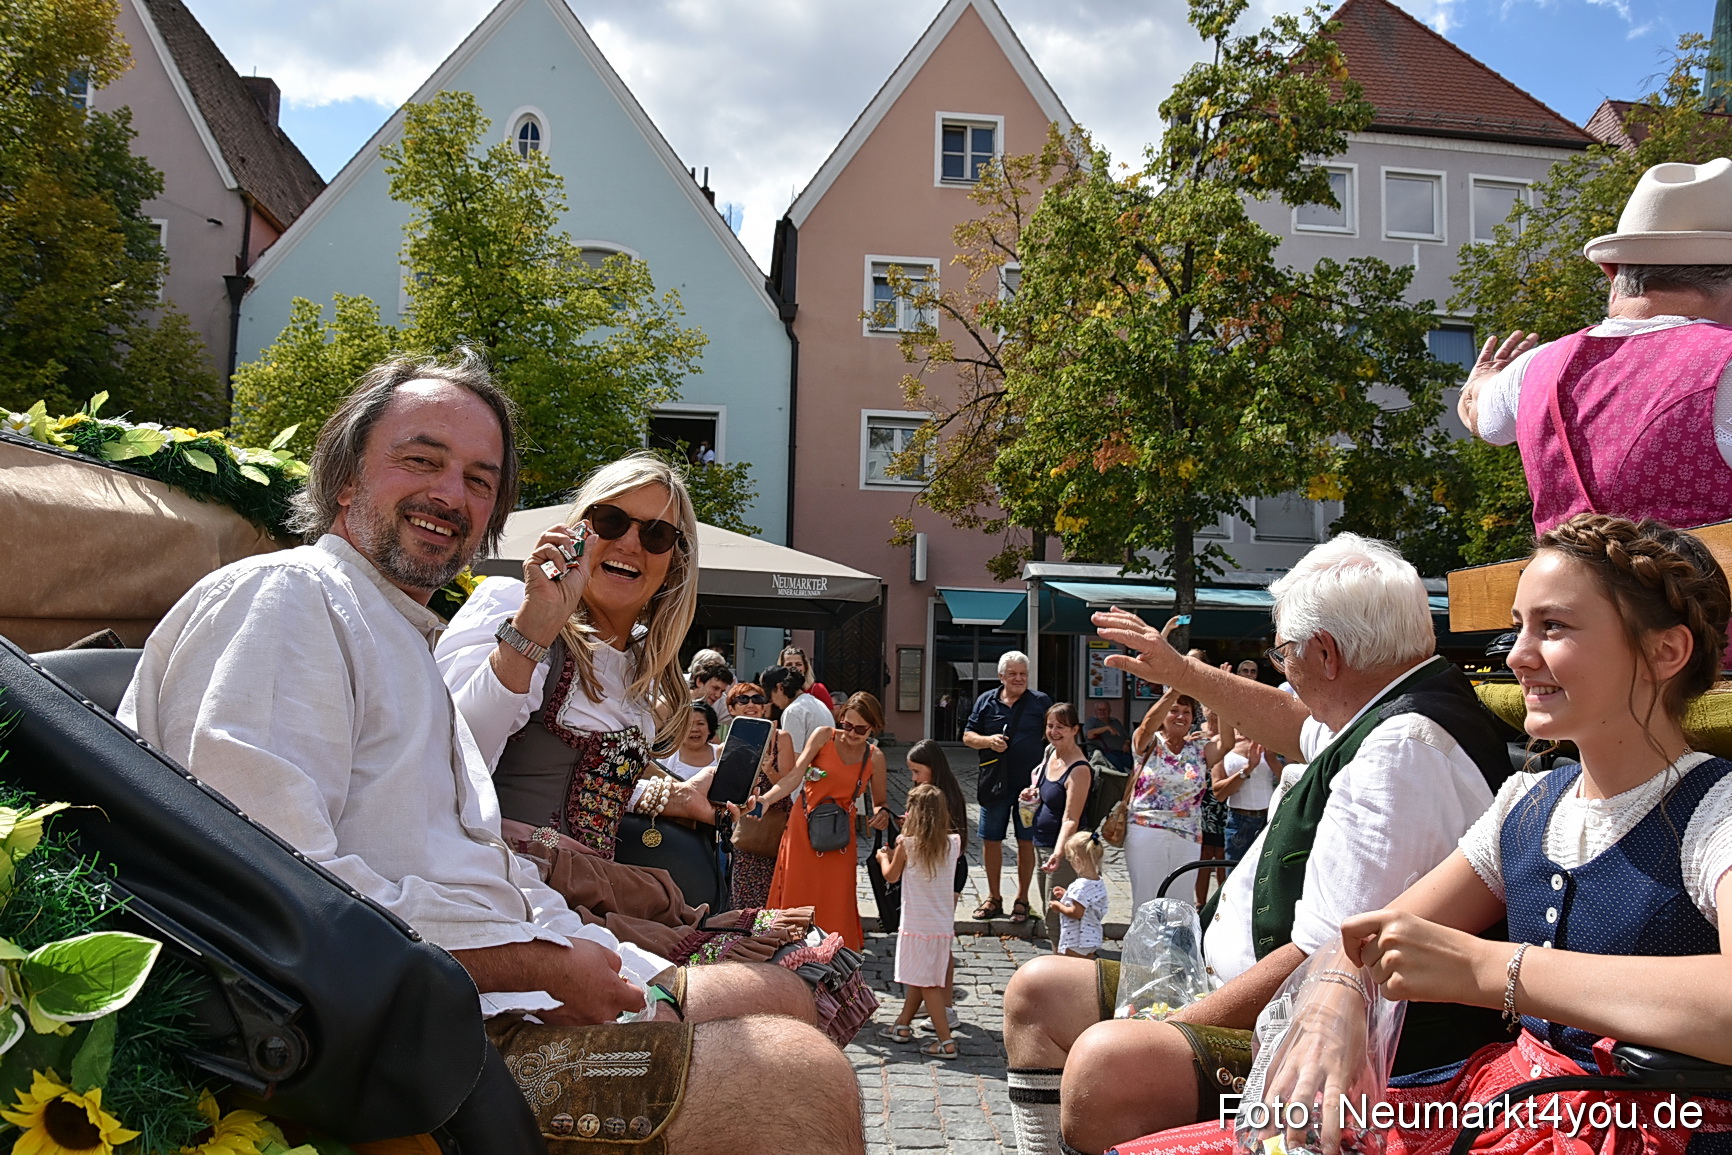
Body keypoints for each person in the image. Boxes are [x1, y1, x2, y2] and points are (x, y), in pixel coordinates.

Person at [119, 352, 863, 1153]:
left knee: (787, 998)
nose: (451, 495)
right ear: (343, 477)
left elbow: (466, 854)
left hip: (495, 979)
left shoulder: (401, 631)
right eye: (422, 460)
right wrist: (542, 964)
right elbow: (272, 892)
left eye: (480, 480)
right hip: (411, 1050)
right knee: (794, 1071)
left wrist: (595, 955)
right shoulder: (288, 599)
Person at [1124, 514, 1732, 1155]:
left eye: (1553, 627)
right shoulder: (1529, 803)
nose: (1518, 655)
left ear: (1665, 652)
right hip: (1508, 1106)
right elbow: (1366, 936)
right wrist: (1336, 994)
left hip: (1650, 1128)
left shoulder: (1713, 810)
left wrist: (1489, 966)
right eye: (1519, 626)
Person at [1001, 534, 1512, 1155]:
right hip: (1243, 986)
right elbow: (1299, 724)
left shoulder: (1401, 752)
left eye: (1283, 652)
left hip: (1330, 1042)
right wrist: (1181, 672)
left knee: (1111, 1065)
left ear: (1325, 655)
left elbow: (1322, 956)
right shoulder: (1388, 706)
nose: (1282, 668)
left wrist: (1177, 1022)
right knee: (1038, 992)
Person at [1459, 159, 1732, 535]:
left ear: (1612, 272)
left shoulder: (1532, 368)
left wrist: (1482, 380)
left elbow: (1478, 412)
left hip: (1563, 591)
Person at [755, 692, 891, 950]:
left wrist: (881, 813)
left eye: (859, 729)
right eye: (847, 725)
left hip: (839, 834)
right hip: (803, 826)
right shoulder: (823, 736)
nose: (851, 733)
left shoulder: (874, 757)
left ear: (873, 727)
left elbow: (880, 801)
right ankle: (790, 950)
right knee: (797, 890)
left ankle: (834, 951)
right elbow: (795, 775)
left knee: (836, 896)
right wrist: (767, 800)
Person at [1118, 690, 1232, 915]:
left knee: (1180, 904)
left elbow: (1227, 744)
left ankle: (1177, 949)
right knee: (1147, 901)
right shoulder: (1149, 742)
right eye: (1174, 711)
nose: (1180, 717)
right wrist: (1175, 688)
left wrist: (1220, 696)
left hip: (1187, 833)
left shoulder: (1198, 749)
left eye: (1186, 712)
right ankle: (1143, 951)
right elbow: (1148, 725)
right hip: (1147, 829)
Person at [874, 783, 963, 1059]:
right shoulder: (954, 844)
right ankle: (902, 1024)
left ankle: (946, 1041)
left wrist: (881, 858)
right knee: (920, 977)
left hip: (916, 925)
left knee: (929, 985)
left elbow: (891, 876)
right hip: (941, 925)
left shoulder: (906, 845)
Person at [963, 651, 1052, 925]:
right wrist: (988, 741)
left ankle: (1023, 898)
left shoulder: (1040, 702)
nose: (1018, 679)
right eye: (1012, 674)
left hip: (1030, 786)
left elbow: (1054, 735)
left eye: (1023, 674)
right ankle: (993, 897)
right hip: (995, 782)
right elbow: (967, 736)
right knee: (991, 839)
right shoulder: (985, 701)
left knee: (1026, 841)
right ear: (1001, 676)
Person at [906, 738, 969, 1030]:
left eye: (918, 772)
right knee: (934, 943)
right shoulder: (938, 793)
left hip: (948, 873)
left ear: (933, 769)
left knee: (940, 945)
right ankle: (930, 1004)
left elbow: (943, 842)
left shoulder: (943, 797)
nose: (914, 778)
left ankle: (945, 1008)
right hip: (941, 871)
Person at [1027, 702, 1093, 952]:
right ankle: (1062, 957)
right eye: (1050, 726)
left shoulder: (1079, 769)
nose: (1054, 731)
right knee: (1048, 906)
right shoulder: (1050, 753)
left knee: (1058, 910)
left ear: (1075, 729)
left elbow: (1071, 818)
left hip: (1062, 849)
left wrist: (1058, 852)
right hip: (1041, 841)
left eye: (1061, 727)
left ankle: (1063, 963)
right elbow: (1043, 792)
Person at [725, 681, 796, 910]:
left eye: (757, 699)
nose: (751, 705)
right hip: (746, 824)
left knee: (776, 890)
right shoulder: (730, 740)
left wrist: (769, 770)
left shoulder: (780, 738)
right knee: (742, 892)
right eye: (743, 700)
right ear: (731, 708)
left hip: (777, 821)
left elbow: (787, 784)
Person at [1215, 660, 1282, 861]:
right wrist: (1247, 769)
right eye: (1245, 671)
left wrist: (1270, 758)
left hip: (1268, 819)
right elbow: (1219, 793)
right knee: (1232, 879)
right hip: (1238, 820)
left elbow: (1287, 780)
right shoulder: (1225, 742)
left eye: (1253, 671)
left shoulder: (1269, 738)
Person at [1193, 703, 1231, 905]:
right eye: (1209, 706)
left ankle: (1220, 903)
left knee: (1222, 854)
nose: (1213, 710)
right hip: (1202, 801)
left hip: (1225, 800)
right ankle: (1200, 903)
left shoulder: (1229, 731)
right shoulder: (1195, 734)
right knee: (1204, 855)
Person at [1050, 831, 1108, 960]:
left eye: (1070, 859)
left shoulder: (1080, 885)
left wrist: (1058, 906)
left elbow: (1076, 913)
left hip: (1077, 938)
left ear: (1077, 860)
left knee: (1072, 968)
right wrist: (1067, 895)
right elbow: (1086, 902)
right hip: (1092, 936)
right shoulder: (1098, 881)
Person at [763, 663, 835, 762]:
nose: (771, 701)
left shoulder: (793, 711)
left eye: (768, 695)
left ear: (779, 687)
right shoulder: (816, 703)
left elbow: (792, 759)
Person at [666, 700, 719, 780]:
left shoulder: (721, 754)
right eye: (688, 724)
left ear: (709, 729)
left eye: (700, 723)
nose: (694, 729)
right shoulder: (667, 757)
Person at [778, 644, 836, 714]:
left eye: (798, 664)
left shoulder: (817, 689)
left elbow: (831, 716)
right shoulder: (778, 693)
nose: (794, 668)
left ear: (805, 667)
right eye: (789, 665)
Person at [1084, 701, 1132, 772]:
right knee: (1119, 768)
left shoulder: (1115, 721)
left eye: (1105, 709)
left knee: (1136, 764)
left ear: (1109, 711)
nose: (1102, 712)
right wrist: (1107, 728)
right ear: (1095, 711)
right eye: (1099, 710)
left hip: (1121, 752)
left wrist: (1126, 743)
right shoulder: (1091, 722)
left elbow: (1127, 736)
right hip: (1102, 754)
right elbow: (1089, 735)